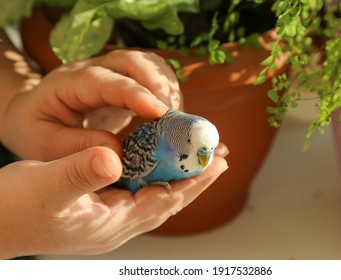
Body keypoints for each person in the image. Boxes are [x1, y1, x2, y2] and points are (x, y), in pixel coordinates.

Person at [0, 29, 228, 259]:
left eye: (206, 151)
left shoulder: (196, 150)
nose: (204, 158)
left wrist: (15, 105)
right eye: (196, 146)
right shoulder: (152, 147)